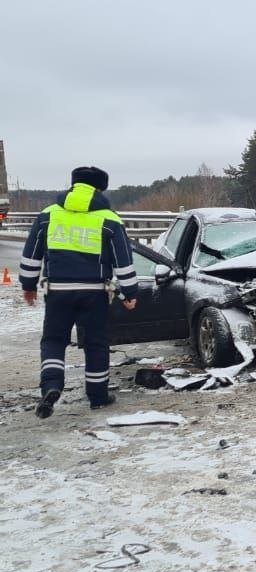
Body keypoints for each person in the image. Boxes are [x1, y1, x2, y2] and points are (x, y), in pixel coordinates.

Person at [19, 166, 139, 419]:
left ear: (73, 186)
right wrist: (129, 292)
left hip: (58, 291)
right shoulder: (109, 219)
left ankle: (51, 386)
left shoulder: (48, 215)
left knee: (53, 340)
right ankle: (98, 396)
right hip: (94, 292)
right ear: (100, 189)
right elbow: (123, 261)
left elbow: (31, 256)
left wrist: (28, 285)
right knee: (96, 343)